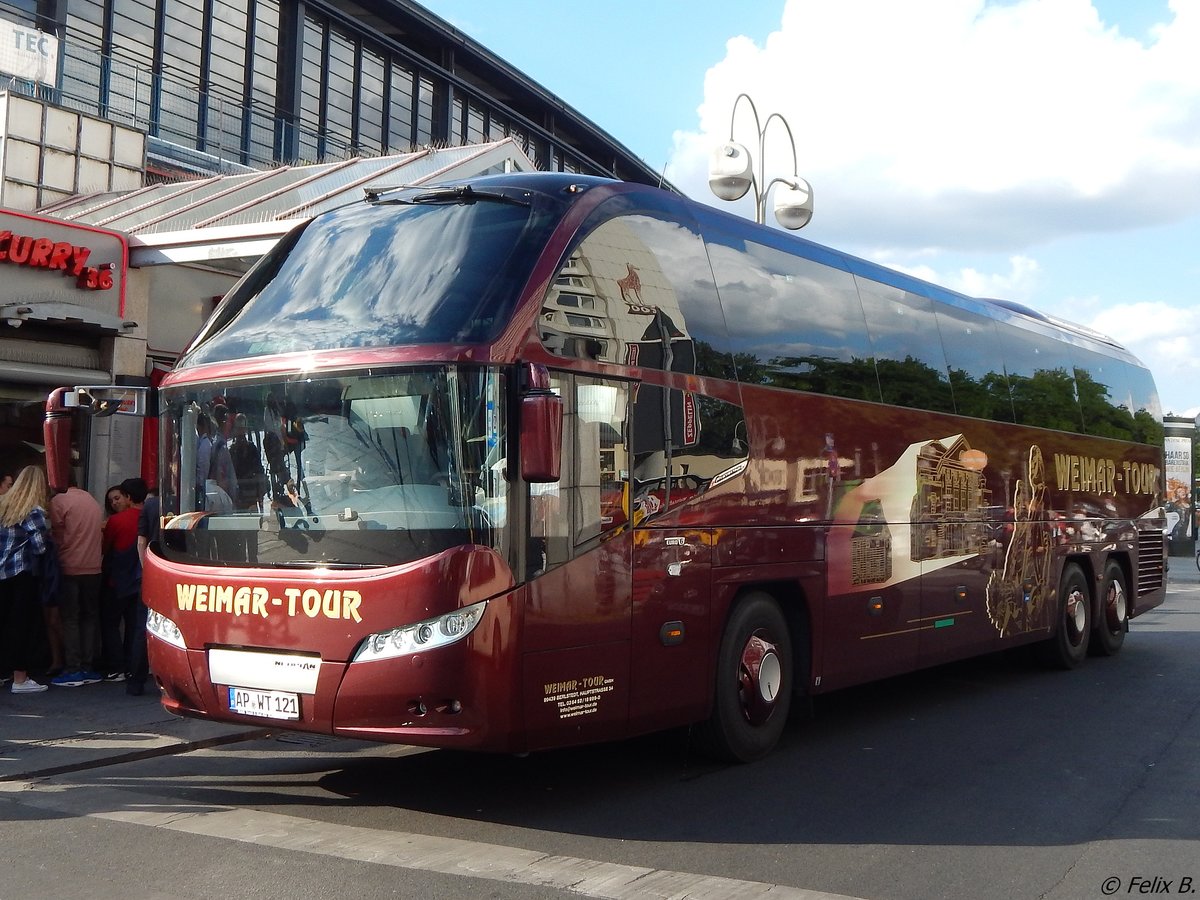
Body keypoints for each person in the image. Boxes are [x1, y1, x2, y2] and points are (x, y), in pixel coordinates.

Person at [0, 466, 53, 693]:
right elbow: (39, 547)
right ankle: (19, 678)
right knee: (21, 625)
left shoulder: (3, 505)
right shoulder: (33, 511)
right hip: (21, 573)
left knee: (3, 623)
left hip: (1, 573)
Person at [49, 472, 105, 687]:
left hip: (70, 566)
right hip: (93, 567)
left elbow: (57, 535)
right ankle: (88, 666)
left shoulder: (59, 501)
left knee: (70, 618)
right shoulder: (91, 500)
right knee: (90, 616)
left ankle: (73, 667)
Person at [101, 479, 145, 690]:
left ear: (128, 497)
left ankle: (116, 665)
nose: (115, 502)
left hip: (117, 579)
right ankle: (130, 665)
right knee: (133, 624)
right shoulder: (148, 516)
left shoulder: (116, 521)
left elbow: (105, 548)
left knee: (110, 623)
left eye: (118, 497)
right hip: (139, 578)